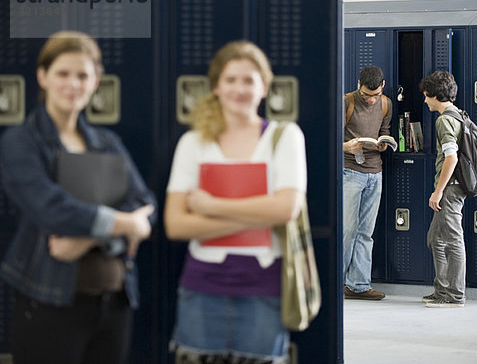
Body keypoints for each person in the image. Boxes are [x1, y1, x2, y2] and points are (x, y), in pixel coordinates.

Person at [0, 31, 156, 363]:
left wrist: (85, 239)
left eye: (83, 75)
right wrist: (124, 223)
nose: (73, 84)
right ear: (42, 77)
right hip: (49, 302)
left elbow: (144, 203)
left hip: (113, 302)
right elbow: (51, 208)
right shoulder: (21, 142)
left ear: (96, 81)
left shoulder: (106, 142)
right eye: (63, 74)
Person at [164, 40, 307, 363]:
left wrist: (212, 206)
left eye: (249, 80)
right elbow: (176, 224)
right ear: (216, 86)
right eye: (230, 80)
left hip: (264, 287)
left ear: (264, 86)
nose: (239, 88)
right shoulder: (194, 142)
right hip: (201, 288)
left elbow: (287, 208)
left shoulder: (285, 137)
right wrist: (261, 213)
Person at [342, 65, 391, 300]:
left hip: (375, 172)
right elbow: (326, 138)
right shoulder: (347, 102)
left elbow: (385, 131)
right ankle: (336, 282)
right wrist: (345, 146)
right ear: (358, 84)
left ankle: (358, 285)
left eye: (375, 95)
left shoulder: (385, 104)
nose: (371, 100)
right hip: (349, 171)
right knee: (347, 231)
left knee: (365, 232)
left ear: (382, 86)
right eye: (366, 95)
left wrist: (382, 144)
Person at [419, 70, 466, 308]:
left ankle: (455, 295)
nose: (425, 100)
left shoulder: (444, 120)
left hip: (450, 188)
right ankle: (441, 290)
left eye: (426, 96)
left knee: (453, 239)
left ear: (435, 95)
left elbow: (451, 158)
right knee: (434, 239)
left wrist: (438, 191)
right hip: (454, 186)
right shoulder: (459, 114)